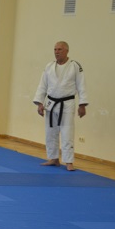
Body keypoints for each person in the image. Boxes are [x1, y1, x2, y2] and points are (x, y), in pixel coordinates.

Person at [33, 41, 88, 171]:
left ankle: (69, 161)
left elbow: (81, 85)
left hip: (67, 104)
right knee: (50, 132)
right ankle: (53, 158)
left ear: (67, 51)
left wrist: (82, 104)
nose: (57, 52)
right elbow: (42, 86)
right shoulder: (49, 66)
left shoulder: (75, 66)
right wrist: (40, 103)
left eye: (60, 49)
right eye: (55, 49)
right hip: (51, 103)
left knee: (67, 132)